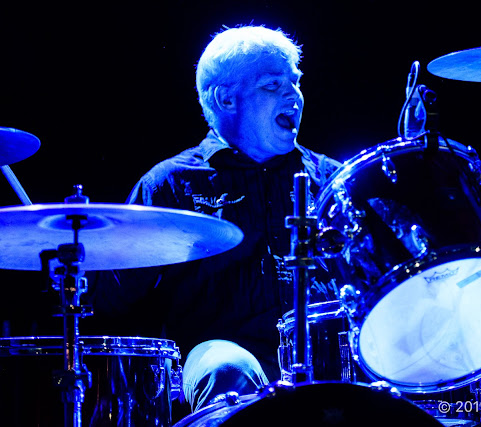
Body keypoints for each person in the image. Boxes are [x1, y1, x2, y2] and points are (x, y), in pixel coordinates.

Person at [87, 24, 341, 416]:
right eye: (273, 85)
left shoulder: (331, 179)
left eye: (295, 82)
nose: (293, 95)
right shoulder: (171, 184)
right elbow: (110, 299)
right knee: (227, 369)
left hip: (329, 348)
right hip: (223, 349)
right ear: (226, 99)